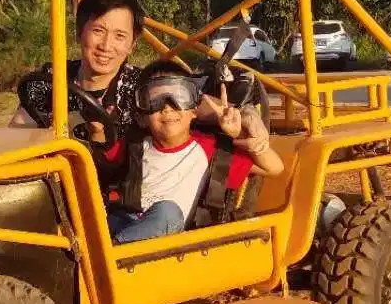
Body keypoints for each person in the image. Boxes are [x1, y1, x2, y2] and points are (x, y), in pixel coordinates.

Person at [99, 61, 285, 245]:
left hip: (171, 232)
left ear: (195, 110)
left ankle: (112, 251)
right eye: (155, 100)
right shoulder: (135, 145)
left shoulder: (211, 149)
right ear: (142, 117)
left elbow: (275, 168)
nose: (167, 107)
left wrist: (246, 138)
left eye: (178, 96)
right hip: (127, 221)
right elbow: (94, 168)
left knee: (168, 212)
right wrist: (96, 131)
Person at [11, 0, 144, 139]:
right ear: (79, 32)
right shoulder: (50, 79)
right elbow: (16, 135)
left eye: (119, 36)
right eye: (98, 31)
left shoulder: (141, 88)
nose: (106, 46)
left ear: (132, 45)